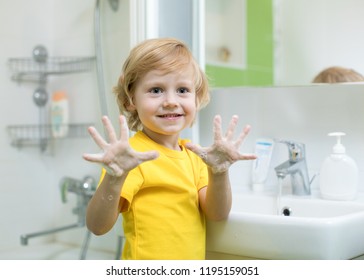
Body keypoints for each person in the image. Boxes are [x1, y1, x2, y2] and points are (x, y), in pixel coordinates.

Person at [83, 38, 256, 260]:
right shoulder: (133, 156)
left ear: (197, 97)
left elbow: (217, 214)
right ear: (130, 100)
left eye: (182, 89)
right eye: (156, 90)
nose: (171, 101)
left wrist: (220, 172)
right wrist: (114, 179)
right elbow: (97, 226)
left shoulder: (195, 156)